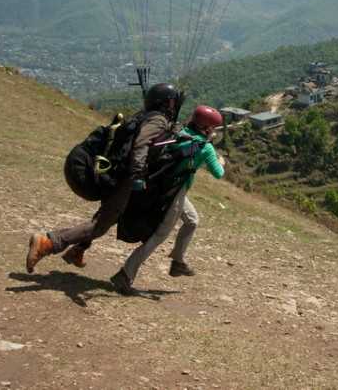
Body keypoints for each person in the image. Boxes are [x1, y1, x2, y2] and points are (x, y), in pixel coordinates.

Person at [25, 83, 182, 273]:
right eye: (172, 102)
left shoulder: (147, 115)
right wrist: (137, 173)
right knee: (100, 225)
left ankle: (78, 250)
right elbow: (141, 144)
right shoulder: (158, 120)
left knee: (114, 214)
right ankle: (48, 242)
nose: (175, 106)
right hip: (124, 177)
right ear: (165, 103)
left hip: (117, 172)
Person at [110, 105, 225, 295]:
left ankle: (178, 261)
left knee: (192, 220)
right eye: (214, 128)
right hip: (175, 192)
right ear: (208, 128)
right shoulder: (206, 148)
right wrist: (221, 161)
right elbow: (218, 174)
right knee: (159, 235)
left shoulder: (181, 132)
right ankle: (125, 274)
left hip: (165, 186)